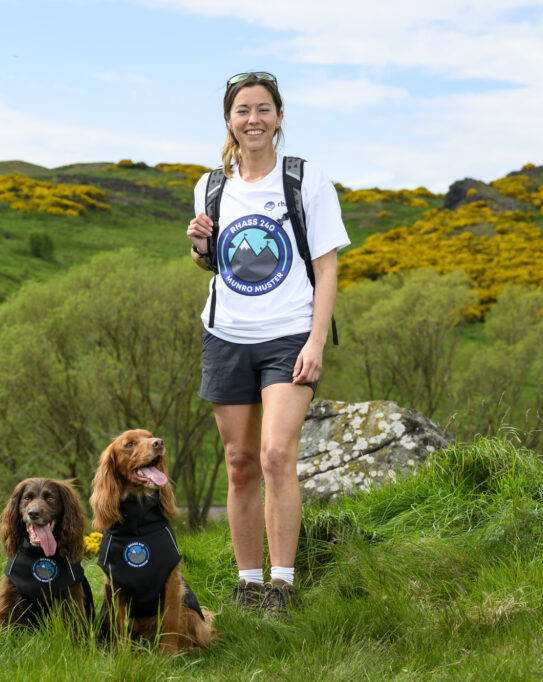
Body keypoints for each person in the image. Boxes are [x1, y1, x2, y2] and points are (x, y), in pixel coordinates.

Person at [186, 72, 349, 618]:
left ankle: (283, 584)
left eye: (262, 109)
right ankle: (248, 583)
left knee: (276, 455)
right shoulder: (210, 185)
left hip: (289, 337)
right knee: (238, 463)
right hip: (226, 337)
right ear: (229, 120)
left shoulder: (306, 180)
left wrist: (316, 341)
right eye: (241, 110)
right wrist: (199, 248)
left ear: (278, 116)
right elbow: (217, 263)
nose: (252, 119)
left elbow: (326, 269)